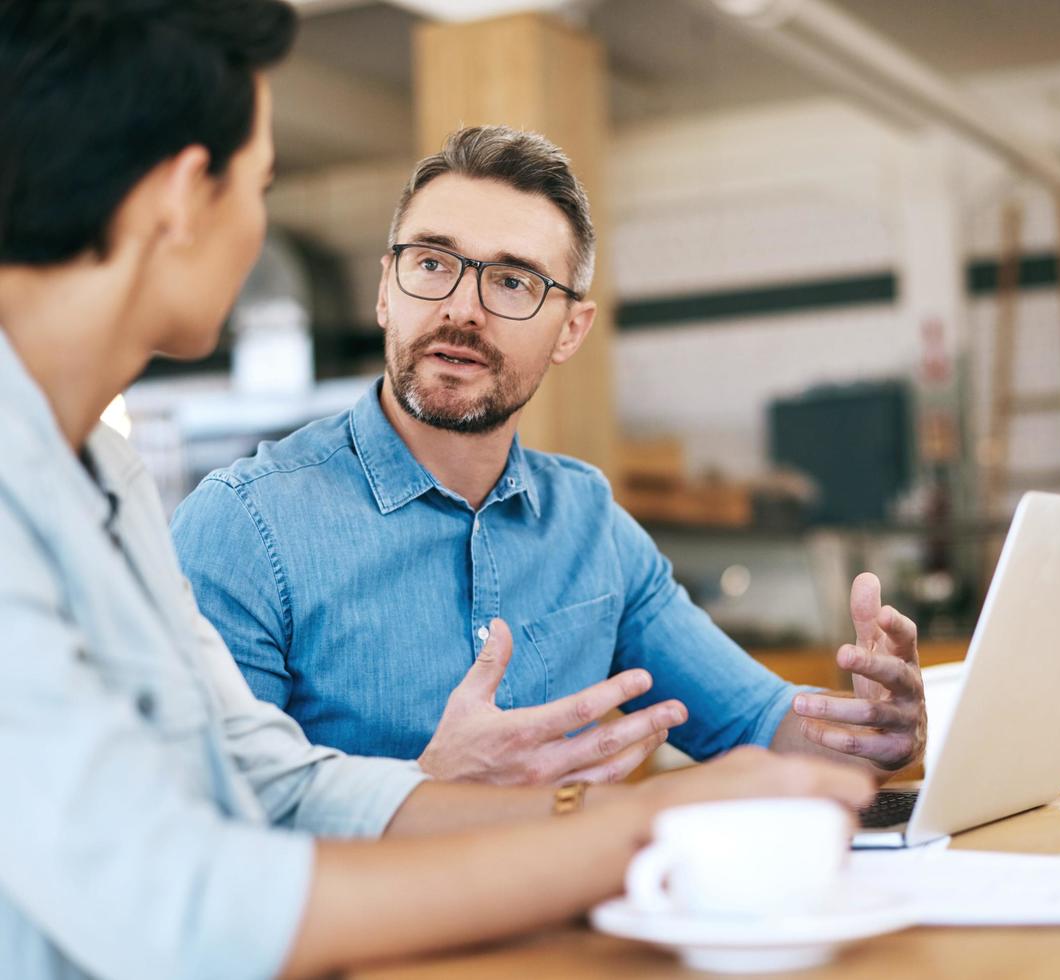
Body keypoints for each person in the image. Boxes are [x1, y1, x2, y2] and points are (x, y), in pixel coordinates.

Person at [0, 3, 877, 978]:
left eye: (512, 282)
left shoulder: (99, 469)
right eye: (261, 186)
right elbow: (184, 894)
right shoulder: (208, 511)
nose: (257, 232)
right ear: (182, 196)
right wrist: (641, 828)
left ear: (570, 325)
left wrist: (656, 803)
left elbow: (281, 784)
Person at [171, 124, 927, 786]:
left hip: (566, 941)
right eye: (432, 263)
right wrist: (428, 785)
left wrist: (871, 734)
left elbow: (761, 725)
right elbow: (199, 829)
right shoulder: (243, 527)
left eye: (512, 281)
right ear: (384, 291)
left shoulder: (589, 524)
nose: (461, 308)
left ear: (570, 330)